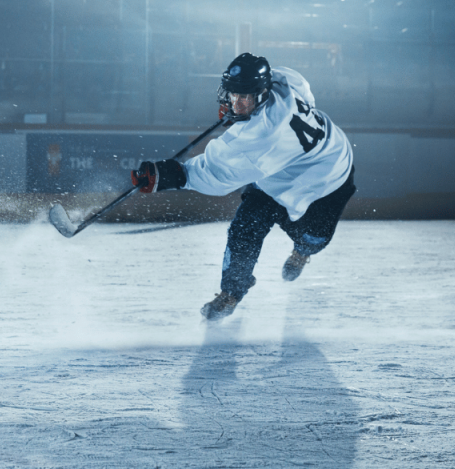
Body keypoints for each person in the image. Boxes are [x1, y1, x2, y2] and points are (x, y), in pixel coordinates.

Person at [131, 52, 356, 320]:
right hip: (284, 171)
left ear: (261, 94)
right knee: (246, 226)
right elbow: (304, 93)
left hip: (331, 174)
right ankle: (231, 294)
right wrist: (246, 110)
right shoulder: (284, 80)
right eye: (233, 94)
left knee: (313, 238)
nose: (236, 103)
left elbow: (215, 174)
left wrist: (170, 176)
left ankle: (302, 252)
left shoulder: (261, 137)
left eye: (244, 97)